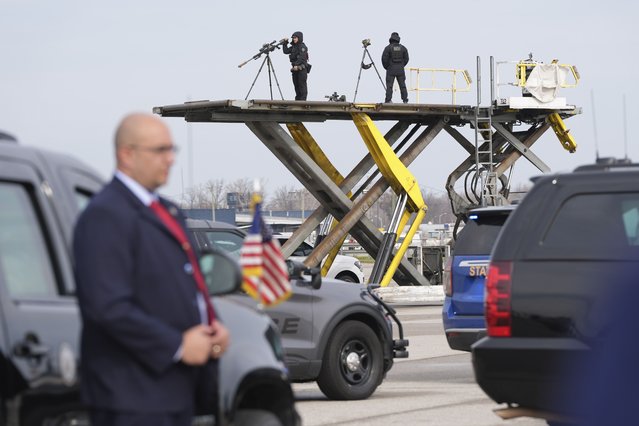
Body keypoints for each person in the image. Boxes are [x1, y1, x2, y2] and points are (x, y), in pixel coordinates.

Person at [73, 113, 230, 426]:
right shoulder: (106, 215)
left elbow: (190, 284)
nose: (170, 159)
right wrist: (177, 346)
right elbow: (107, 306)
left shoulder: (167, 211)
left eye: (172, 149)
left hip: (175, 391)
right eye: (160, 150)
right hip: (132, 397)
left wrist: (215, 325)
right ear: (127, 154)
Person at [381, 32, 409, 103]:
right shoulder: (403, 48)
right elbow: (406, 59)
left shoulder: (388, 48)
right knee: (402, 85)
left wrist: (387, 67)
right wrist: (402, 65)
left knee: (389, 86)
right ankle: (405, 100)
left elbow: (384, 59)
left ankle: (388, 100)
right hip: (400, 70)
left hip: (391, 70)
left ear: (391, 39)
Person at [282, 31, 309, 101]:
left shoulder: (302, 46)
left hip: (302, 68)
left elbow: (302, 57)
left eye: (295, 38)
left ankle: (303, 101)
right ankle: (298, 100)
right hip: (295, 69)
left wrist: (296, 65)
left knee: (302, 85)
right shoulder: (293, 47)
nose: (294, 39)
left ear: (299, 38)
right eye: (293, 38)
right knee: (296, 85)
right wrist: (285, 43)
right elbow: (286, 51)